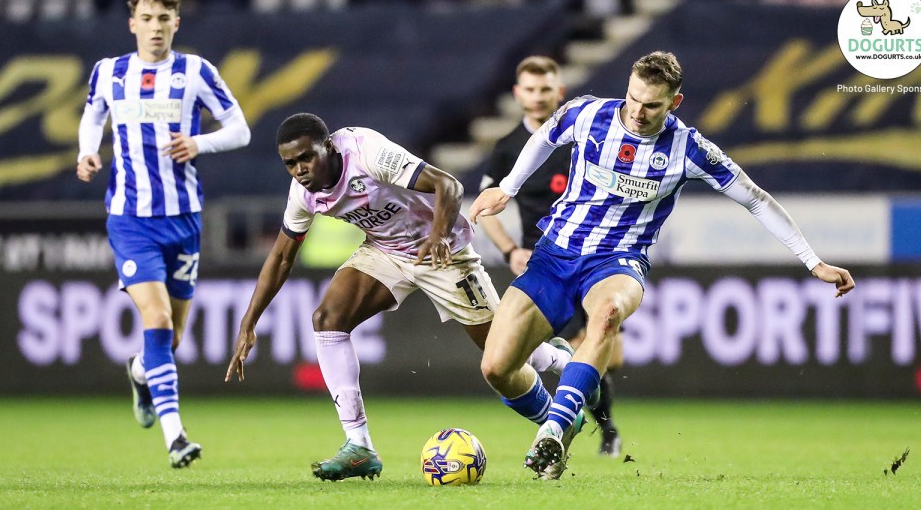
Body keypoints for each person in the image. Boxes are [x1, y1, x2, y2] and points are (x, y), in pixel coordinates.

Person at [469, 51, 856, 480]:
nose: (637, 112)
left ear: (675, 102)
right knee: (496, 368)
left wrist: (812, 261)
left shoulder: (689, 148)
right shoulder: (587, 114)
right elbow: (545, 136)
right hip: (554, 253)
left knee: (607, 314)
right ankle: (562, 414)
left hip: (617, 261)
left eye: (651, 105)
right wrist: (508, 188)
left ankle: (555, 429)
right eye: (633, 98)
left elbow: (756, 199)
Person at [224, 113, 572, 481]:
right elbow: (281, 257)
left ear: (328, 147)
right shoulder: (303, 194)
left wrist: (438, 236)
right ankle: (359, 445)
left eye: (306, 158)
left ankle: (557, 360)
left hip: (442, 250)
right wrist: (249, 322)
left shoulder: (367, 152)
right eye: (290, 163)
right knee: (327, 319)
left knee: (502, 352)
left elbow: (449, 185)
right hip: (386, 251)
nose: (299, 170)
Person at [76, 0, 251, 468]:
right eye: (147, 19)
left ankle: (140, 372)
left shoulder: (196, 72)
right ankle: (176, 438)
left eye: (164, 19)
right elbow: (92, 117)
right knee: (154, 320)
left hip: (184, 218)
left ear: (177, 23)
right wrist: (87, 152)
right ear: (132, 23)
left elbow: (240, 129)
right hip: (130, 219)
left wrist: (199, 143)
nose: (155, 28)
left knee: (170, 339)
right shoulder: (109, 72)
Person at [478, 55, 623, 456]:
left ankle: (601, 422)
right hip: (547, 263)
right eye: (530, 89)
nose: (538, 97)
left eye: (546, 89)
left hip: (596, 255)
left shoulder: (581, 136)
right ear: (517, 94)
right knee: (581, 343)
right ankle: (603, 431)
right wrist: (510, 249)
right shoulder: (509, 147)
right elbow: (487, 207)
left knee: (610, 356)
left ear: (560, 91)